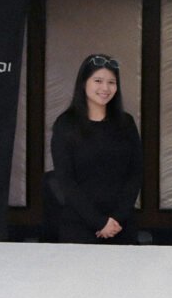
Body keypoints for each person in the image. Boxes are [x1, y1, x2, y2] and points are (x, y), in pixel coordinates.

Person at [51, 54, 143, 244]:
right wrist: (99, 222)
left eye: (111, 82)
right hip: (79, 225)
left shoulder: (126, 123)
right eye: (98, 81)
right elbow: (65, 180)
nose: (105, 88)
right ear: (83, 83)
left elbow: (136, 173)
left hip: (121, 225)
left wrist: (117, 218)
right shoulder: (66, 124)